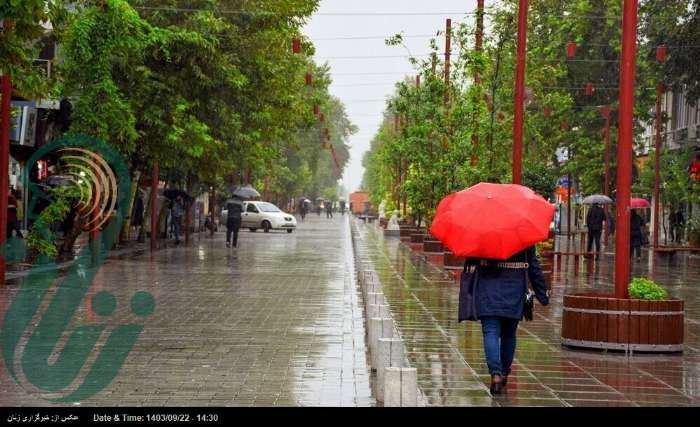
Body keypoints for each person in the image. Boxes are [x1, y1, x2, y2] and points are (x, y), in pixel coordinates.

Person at [465, 247, 549, 395]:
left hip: (487, 288)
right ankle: (503, 373)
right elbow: (533, 265)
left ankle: (495, 375)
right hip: (514, 287)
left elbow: (471, 259)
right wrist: (542, 294)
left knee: (490, 331)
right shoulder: (523, 231)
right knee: (509, 334)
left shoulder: (483, 230)